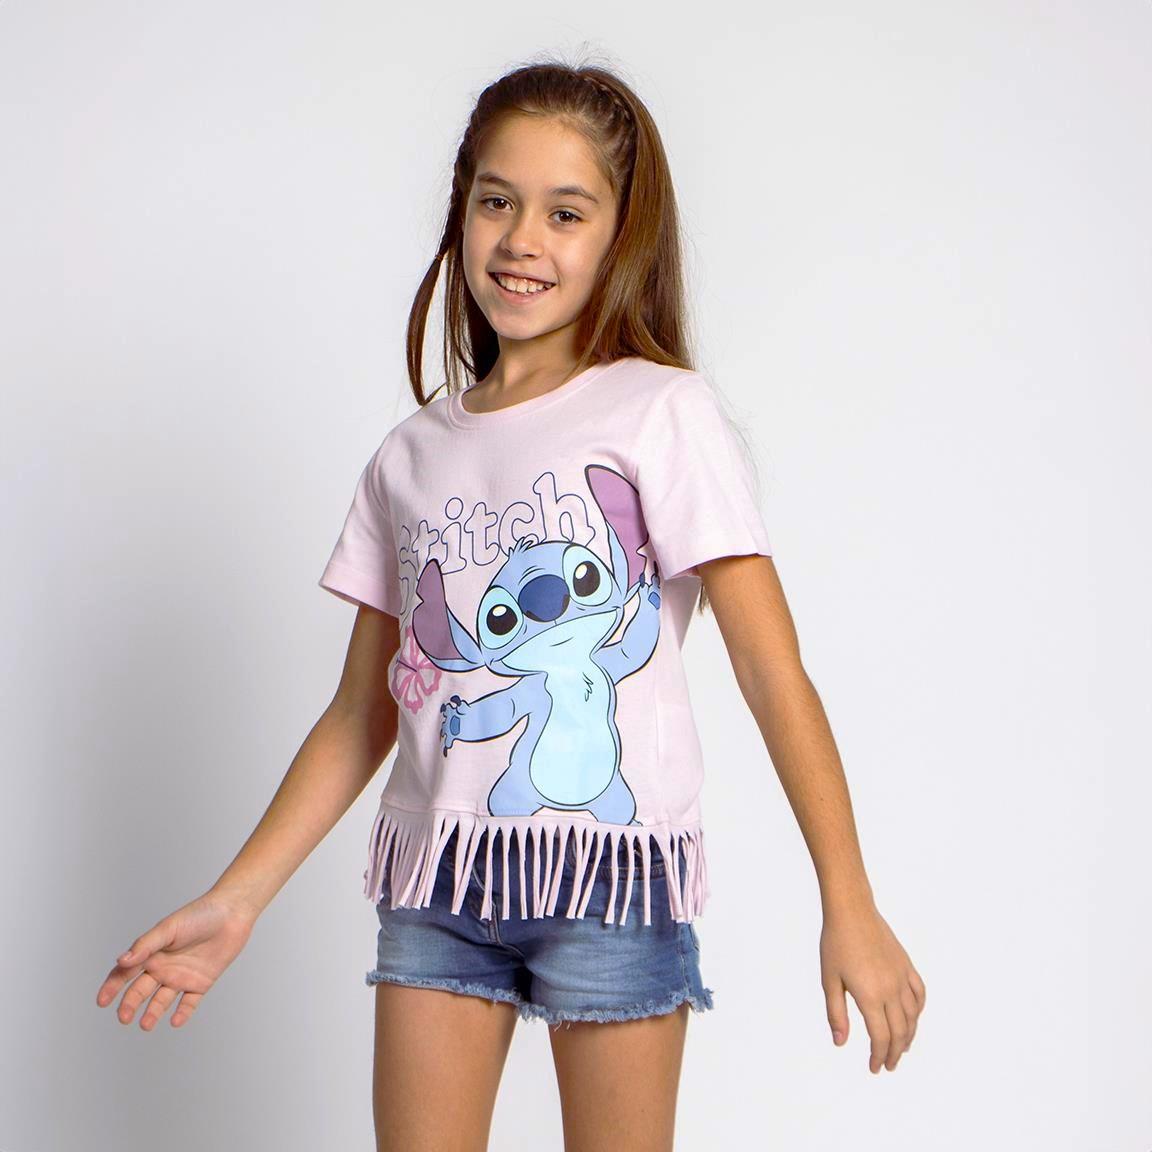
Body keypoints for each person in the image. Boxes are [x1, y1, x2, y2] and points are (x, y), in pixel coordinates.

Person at [96, 57, 926, 1152]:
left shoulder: (661, 414)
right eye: (497, 201)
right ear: (461, 212)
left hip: (609, 886)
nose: (523, 239)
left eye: (565, 212)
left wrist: (848, 899)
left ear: (623, 237)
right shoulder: (410, 456)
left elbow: (773, 674)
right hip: (438, 889)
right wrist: (238, 898)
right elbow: (362, 712)